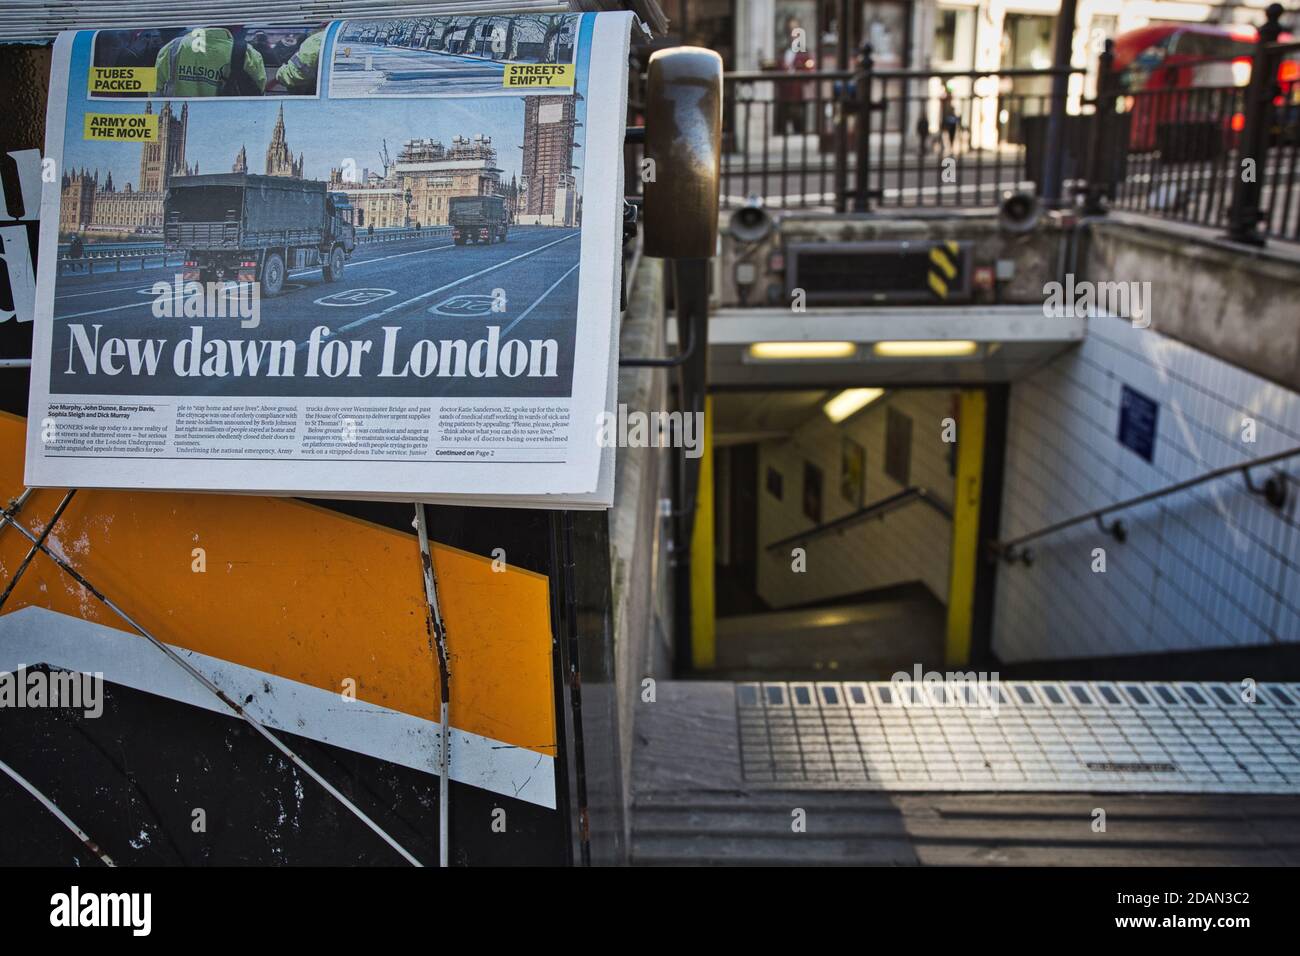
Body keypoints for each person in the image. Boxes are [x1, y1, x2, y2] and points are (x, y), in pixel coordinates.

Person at [155, 26, 266, 96]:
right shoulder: (249, 55)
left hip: (174, 122)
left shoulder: (173, 47)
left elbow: (154, 91)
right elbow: (259, 94)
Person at [270, 27, 326, 95]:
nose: (291, 38)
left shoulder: (317, 40)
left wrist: (281, 72)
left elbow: (294, 75)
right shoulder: (338, 36)